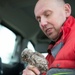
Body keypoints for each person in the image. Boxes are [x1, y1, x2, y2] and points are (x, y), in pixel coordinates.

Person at [22, 0, 75, 75]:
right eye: (39, 20)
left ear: (66, 10)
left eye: (47, 14)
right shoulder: (50, 57)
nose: (42, 23)